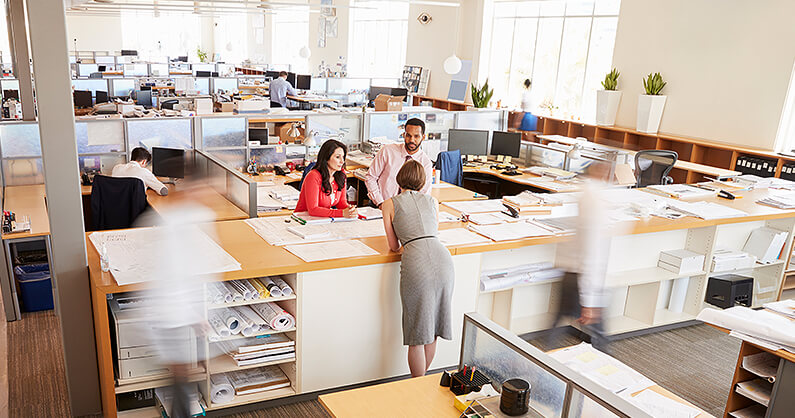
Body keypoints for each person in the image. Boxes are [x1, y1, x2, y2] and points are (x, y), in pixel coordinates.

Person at [381, 160, 454, 377]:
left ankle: (417, 386)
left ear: (399, 178)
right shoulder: (433, 201)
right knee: (432, 330)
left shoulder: (389, 204)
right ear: (423, 181)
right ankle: (421, 385)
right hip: (443, 260)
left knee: (417, 333)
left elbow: (394, 246)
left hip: (417, 263)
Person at [365, 118, 434, 208]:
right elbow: (371, 177)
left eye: (416, 136)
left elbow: (424, 193)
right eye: (408, 135)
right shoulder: (388, 151)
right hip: (380, 205)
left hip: (406, 210)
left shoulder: (425, 162)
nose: (412, 140)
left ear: (423, 137)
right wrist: (380, 203)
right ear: (404, 135)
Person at [294, 139, 358, 218]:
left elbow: (341, 203)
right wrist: (341, 213)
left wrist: (350, 210)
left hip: (322, 219)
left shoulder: (341, 175)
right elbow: (313, 210)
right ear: (327, 158)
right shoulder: (313, 176)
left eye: (343, 157)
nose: (342, 161)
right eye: (337, 157)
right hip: (303, 220)